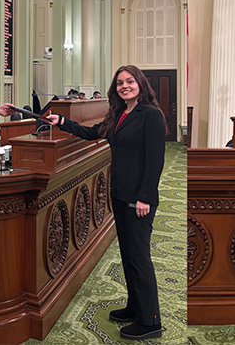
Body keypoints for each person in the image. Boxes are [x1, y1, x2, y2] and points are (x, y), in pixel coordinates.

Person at [44, 65, 165, 341]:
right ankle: (136, 307)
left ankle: (151, 321)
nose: (125, 86)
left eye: (130, 81)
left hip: (139, 200)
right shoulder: (120, 114)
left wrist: (145, 197)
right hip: (120, 196)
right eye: (120, 83)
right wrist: (62, 123)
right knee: (128, 256)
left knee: (139, 258)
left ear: (140, 84)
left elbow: (156, 160)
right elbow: (93, 133)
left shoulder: (151, 115)